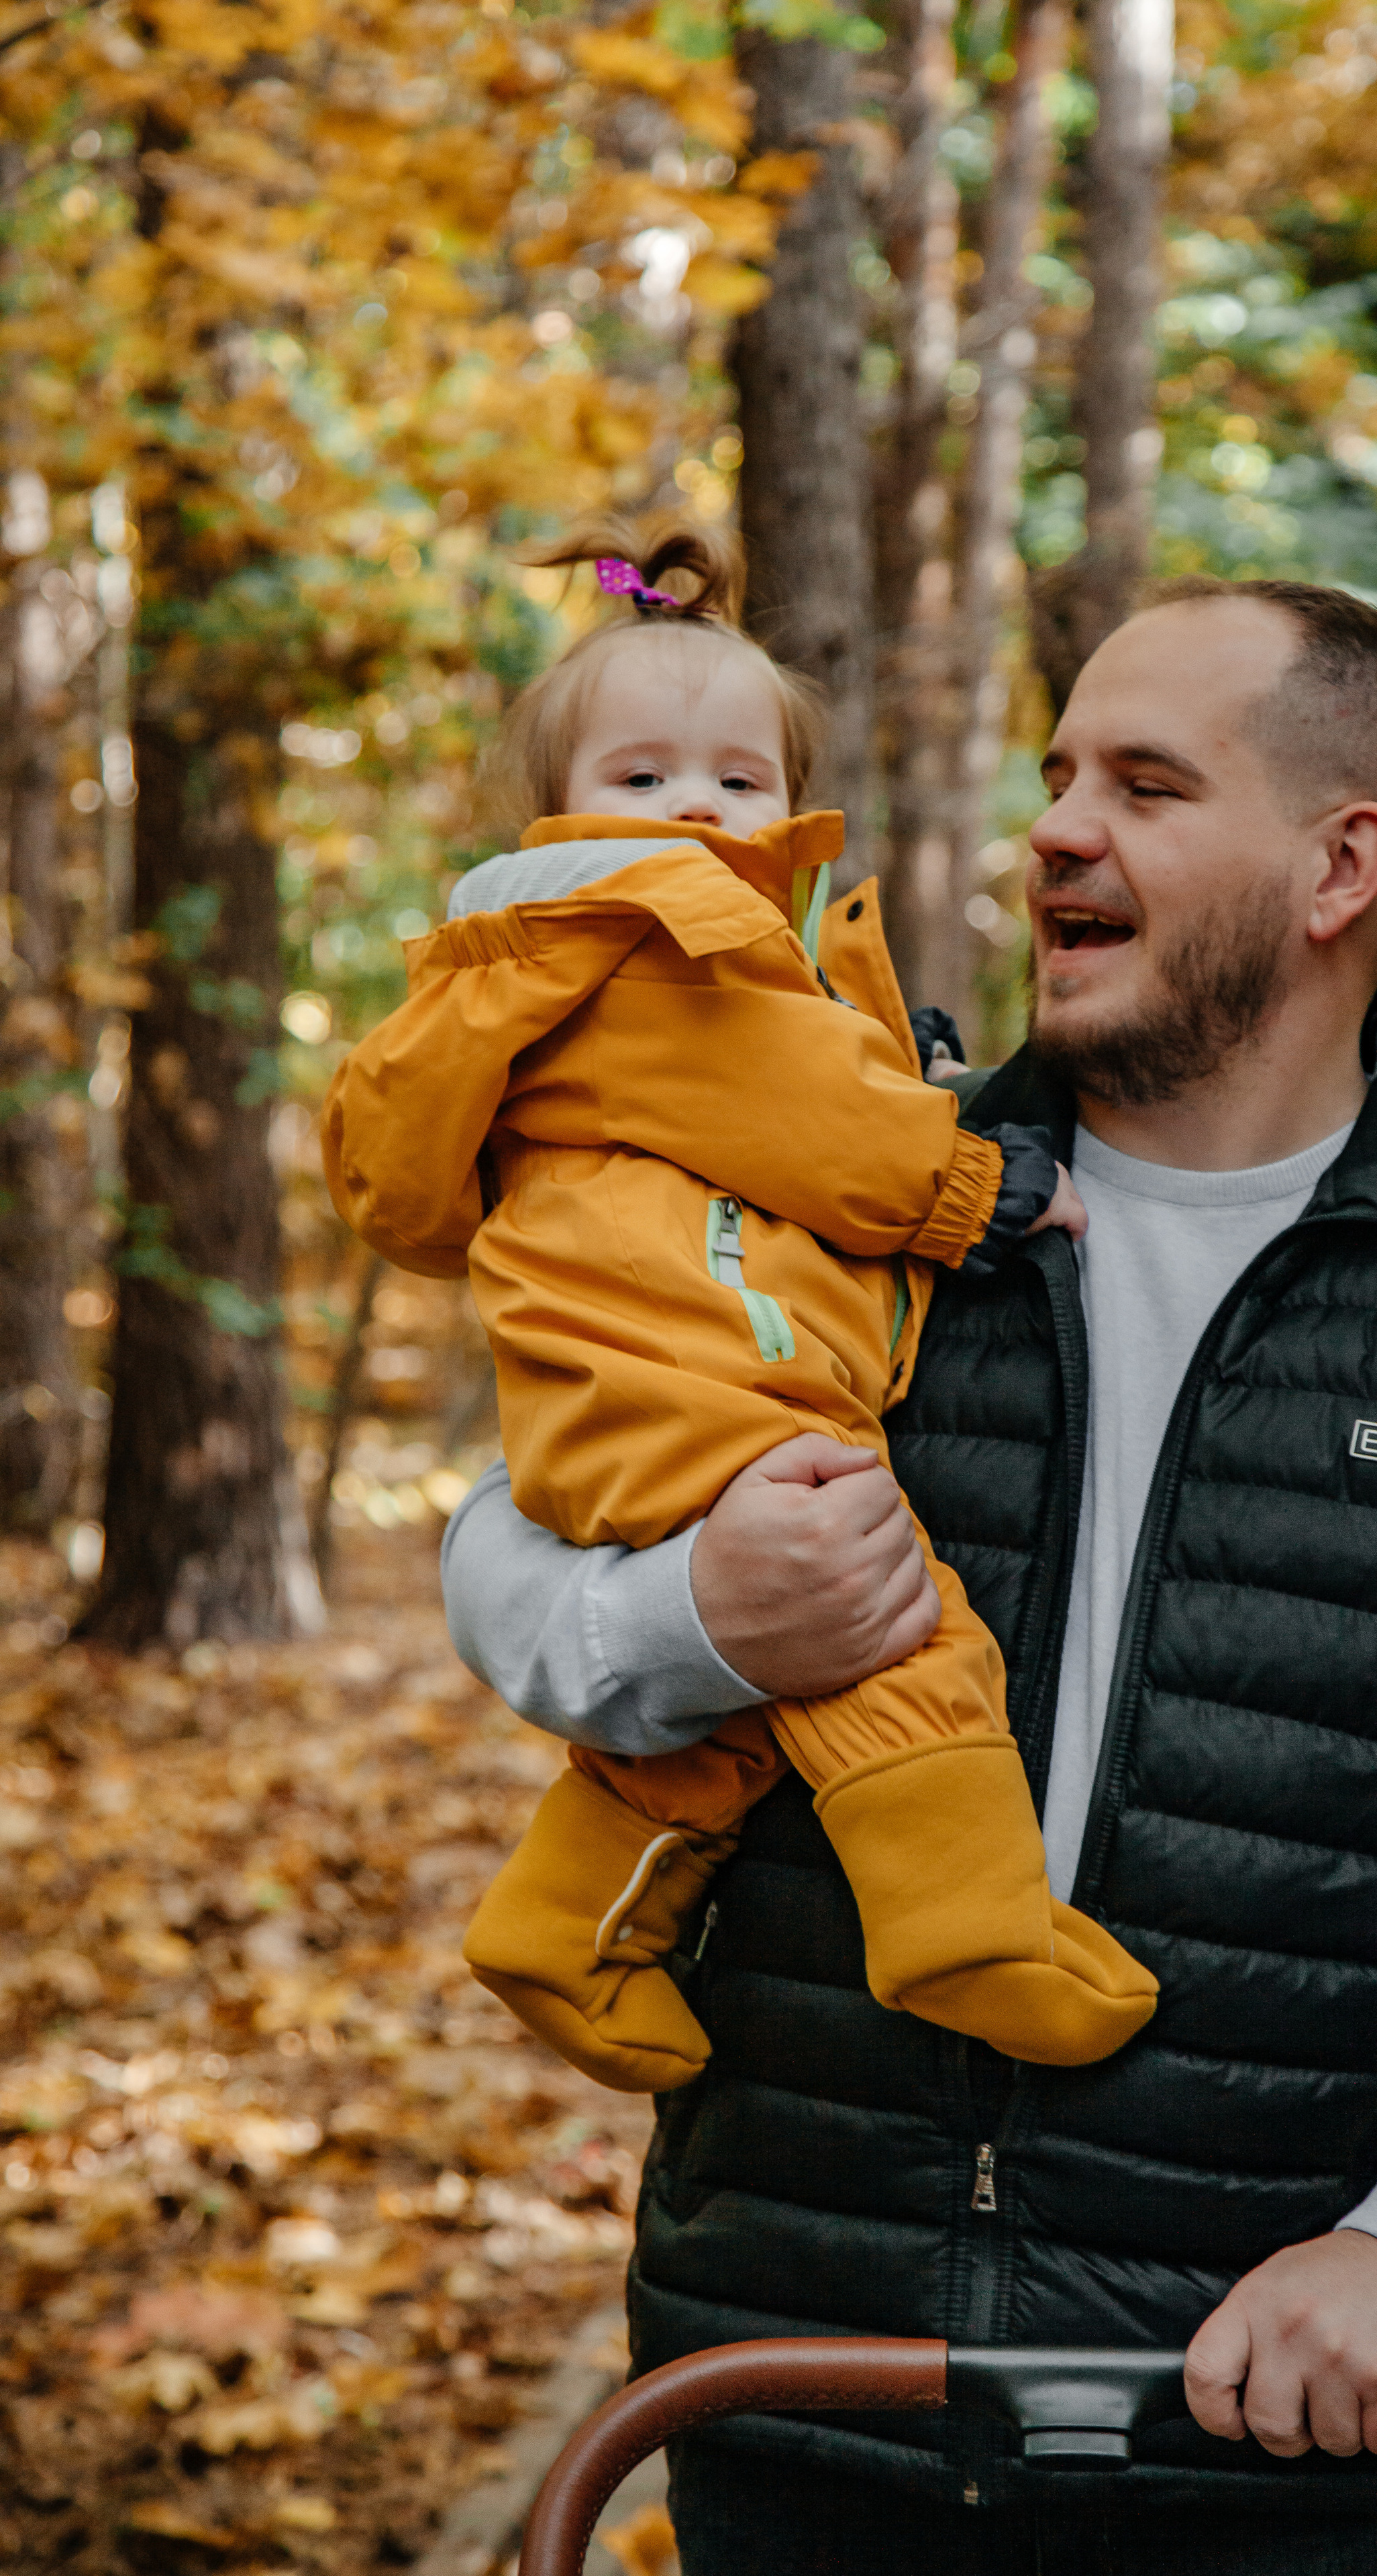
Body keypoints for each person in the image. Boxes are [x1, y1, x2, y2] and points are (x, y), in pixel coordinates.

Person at [442, 574, 1377, 2574]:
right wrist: (699, 1624)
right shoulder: (869, 1184)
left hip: (1293, 2440)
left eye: (1141, 782)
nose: (1052, 831)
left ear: (1338, 864)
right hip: (803, 2407)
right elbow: (508, 1541)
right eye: (1055, 776)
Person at [322, 518, 1157, 2098]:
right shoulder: (653, 943)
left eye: (735, 779)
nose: (693, 807)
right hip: (696, 1380)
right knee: (892, 1634)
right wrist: (977, 1185)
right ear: (557, 815)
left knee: (726, 1724)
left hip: (622, 1392)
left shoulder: (552, 964)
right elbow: (812, 1126)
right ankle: (966, 1924)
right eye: (638, 780)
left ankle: (568, 1923)